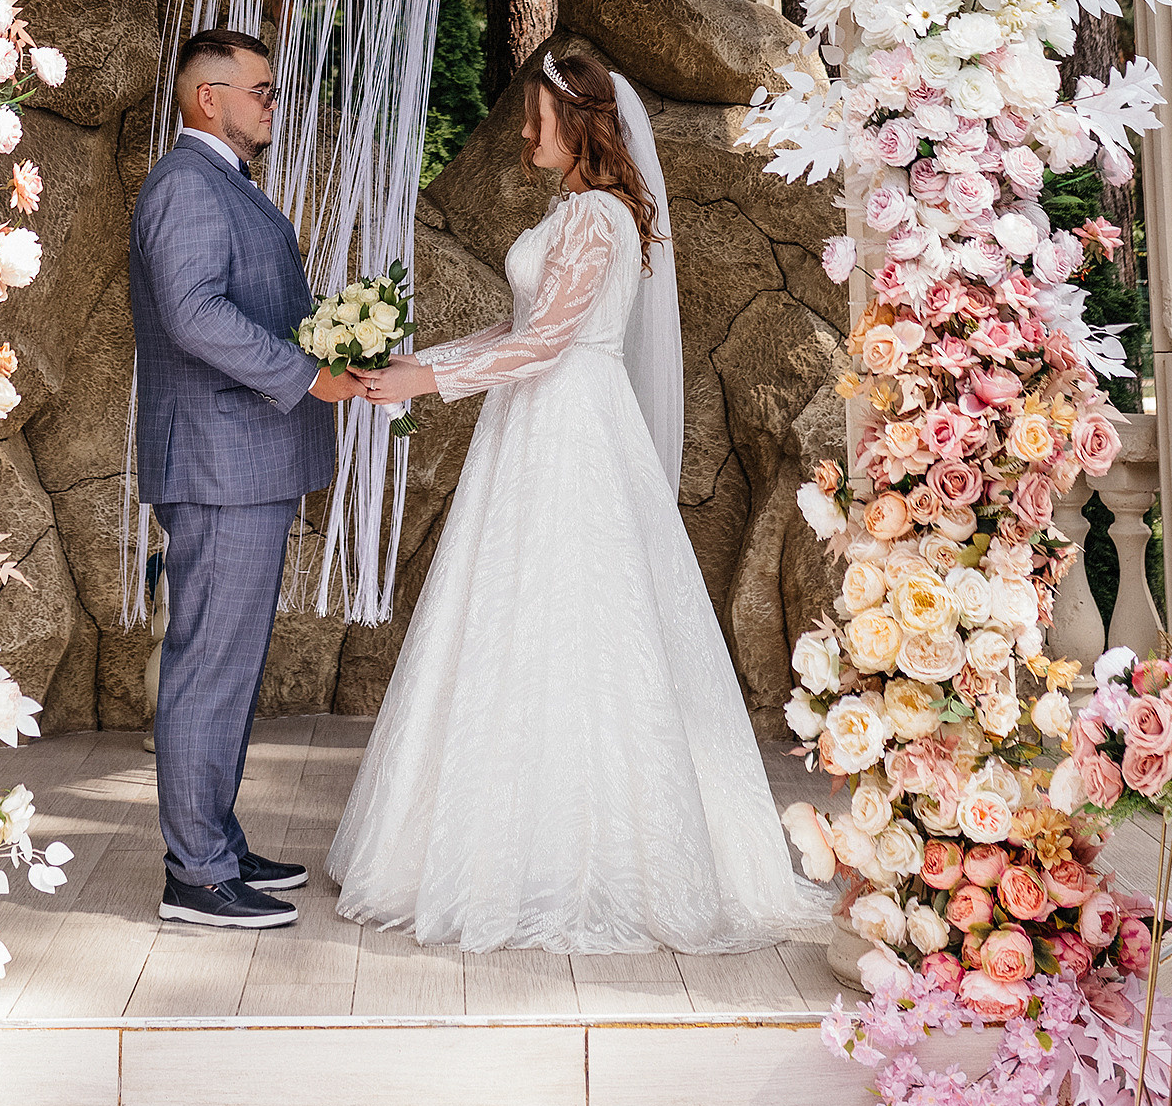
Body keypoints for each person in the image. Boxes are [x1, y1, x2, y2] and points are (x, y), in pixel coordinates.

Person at [328, 47, 830, 957]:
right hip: (539, 419)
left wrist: (428, 381)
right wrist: (418, 363)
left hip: (569, 427)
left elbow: (550, 343)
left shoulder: (598, 215)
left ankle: (576, 860)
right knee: (516, 622)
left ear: (583, 122)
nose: (524, 133)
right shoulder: (582, 211)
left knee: (576, 624)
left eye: (539, 118)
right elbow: (523, 329)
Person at [129, 26, 355, 931]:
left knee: (230, 663)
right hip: (221, 462)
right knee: (209, 666)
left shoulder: (222, 183)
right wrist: (308, 373)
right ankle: (197, 874)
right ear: (205, 97)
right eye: (259, 89)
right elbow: (194, 315)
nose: (272, 102)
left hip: (244, 459)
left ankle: (215, 835)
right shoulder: (187, 183)